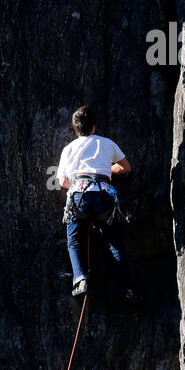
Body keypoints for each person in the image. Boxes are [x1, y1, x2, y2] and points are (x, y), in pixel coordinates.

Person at [57, 105, 141, 303]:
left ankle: (80, 279)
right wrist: (104, 170)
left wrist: (78, 185)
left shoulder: (68, 149)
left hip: (79, 196)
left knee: (75, 240)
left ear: (75, 128)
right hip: (104, 195)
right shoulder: (106, 143)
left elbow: (62, 182)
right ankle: (124, 288)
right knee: (114, 243)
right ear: (93, 126)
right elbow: (125, 167)